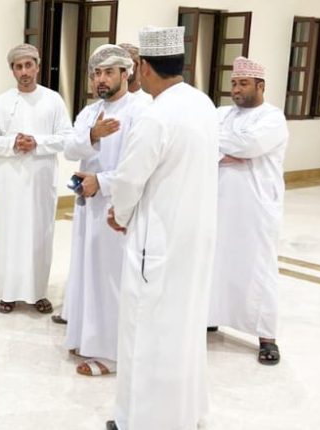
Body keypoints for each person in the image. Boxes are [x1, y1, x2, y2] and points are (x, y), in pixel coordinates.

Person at [76, 27, 219, 430]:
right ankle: (186, 414)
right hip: (195, 238)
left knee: (147, 331)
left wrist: (119, 216)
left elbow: (129, 180)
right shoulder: (203, 103)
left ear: (144, 68)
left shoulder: (155, 115)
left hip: (157, 243)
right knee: (185, 328)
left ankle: (140, 420)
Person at [60, 45, 149, 377]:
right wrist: (92, 135)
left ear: (126, 73)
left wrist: (103, 182)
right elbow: (70, 149)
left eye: (109, 72)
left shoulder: (141, 110)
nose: (101, 79)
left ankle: (112, 354)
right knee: (89, 273)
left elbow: (140, 166)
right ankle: (88, 338)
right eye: (96, 73)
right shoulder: (90, 112)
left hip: (120, 207)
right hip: (89, 206)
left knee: (113, 279)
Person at [208, 56, 288, 365]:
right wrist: (228, 150)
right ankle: (211, 316)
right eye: (233, 83)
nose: (236, 89)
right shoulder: (221, 114)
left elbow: (250, 146)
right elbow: (203, 140)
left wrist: (228, 148)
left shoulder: (273, 118)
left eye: (243, 83)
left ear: (260, 86)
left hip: (256, 207)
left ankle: (266, 337)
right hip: (219, 203)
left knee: (258, 268)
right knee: (215, 261)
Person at [0, 43, 73, 314]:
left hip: (40, 182)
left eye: (28, 65)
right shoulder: (1, 102)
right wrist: (13, 142)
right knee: (8, 236)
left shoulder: (53, 100)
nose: (24, 71)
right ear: (12, 70)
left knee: (39, 234)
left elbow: (67, 137)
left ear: (37, 66)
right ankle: (8, 294)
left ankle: (38, 293)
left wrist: (37, 142)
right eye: (18, 67)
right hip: (9, 183)